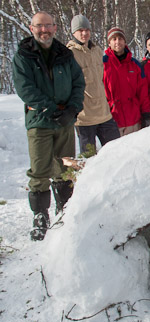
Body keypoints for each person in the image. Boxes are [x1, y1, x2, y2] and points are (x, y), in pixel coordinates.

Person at [12, 11, 85, 241]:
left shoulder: (64, 54)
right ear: (32, 29)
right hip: (40, 122)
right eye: (39, 26)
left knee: (65, 168)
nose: (44, 30)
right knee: (41, 169)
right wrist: (50, 110)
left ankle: (64, 211)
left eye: (48, 26)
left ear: (55, 28)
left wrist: (73, 108)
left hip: (64, 120)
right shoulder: (24, 56)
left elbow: (78, 82)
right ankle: (40, 216)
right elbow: (25, 89)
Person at [67, 14, 120, 153]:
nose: (84, 33)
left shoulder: (97, 51)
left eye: (87, 29)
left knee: (117, 153)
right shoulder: (69, 54)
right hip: (84, 118)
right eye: (80, 30)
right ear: (73, 33)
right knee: (89, 159)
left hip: (104, 114)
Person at [103, 27, 150, 135]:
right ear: (109, 43)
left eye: (120, 38)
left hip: (134, 121)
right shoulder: (103, 64)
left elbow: (143, 92)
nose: (117, 42)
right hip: (112, 121)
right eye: (114, 39)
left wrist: (146, 114)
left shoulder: (135, 65)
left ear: (125, 41)